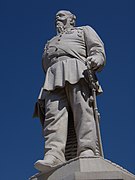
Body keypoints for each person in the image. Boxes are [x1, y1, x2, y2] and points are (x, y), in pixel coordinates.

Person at [34, 10, 106, 172]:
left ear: (72, 19)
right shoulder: (50, 41)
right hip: (52, 77)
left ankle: (87, 148)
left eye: (62, 15)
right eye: (56, 16)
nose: (57, 18)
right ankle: (54, 154)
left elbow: (97, 48)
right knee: (53, 115)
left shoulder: (83, 30)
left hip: (77, 70)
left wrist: (97, 59)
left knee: (82, 110)